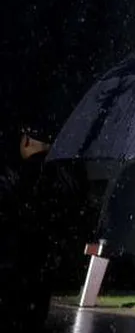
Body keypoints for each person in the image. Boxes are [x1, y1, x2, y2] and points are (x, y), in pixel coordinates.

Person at [0, 120, 89, 333]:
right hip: (44, 272)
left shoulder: (18, 177)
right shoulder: (68, 177)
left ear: (27, 141)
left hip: (13, 272)